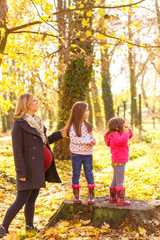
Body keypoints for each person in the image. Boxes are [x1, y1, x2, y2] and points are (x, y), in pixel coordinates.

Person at [0, 93, 64, 238]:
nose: (36, 102)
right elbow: (17, 151)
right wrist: (21, 172)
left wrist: (60, 134)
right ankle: (3, 227)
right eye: (34, 101)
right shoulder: (19, 124)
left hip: (38, 168)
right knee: (21, 199)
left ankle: (29, 227)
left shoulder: (36, 122)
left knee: (32, 199)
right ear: (26, 104)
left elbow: (44, 141)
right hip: (28, 169)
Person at [65, 102, 96, 205]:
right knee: (76, 173)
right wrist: (87, 141)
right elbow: (74, 140)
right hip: (76, 154)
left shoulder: (88, 126)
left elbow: (91, 137)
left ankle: (91, 196)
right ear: (80, 112)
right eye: (86, 110)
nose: (89, 112)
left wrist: (93, 141)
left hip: (88, 154)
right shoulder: (73, 126)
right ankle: (76, 195)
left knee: (89, 174)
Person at [104, 117, 133, 206]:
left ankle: (113, 198)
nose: (124, 126)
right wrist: (125, 133)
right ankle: (121, 200)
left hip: (117, 160)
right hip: (119, 161)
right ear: (117, 126)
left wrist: (128, 131)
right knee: (120, 180)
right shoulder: (115, 135)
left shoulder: (114, 134)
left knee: (115, 179)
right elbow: (123, 140)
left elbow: (129, 137)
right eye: (122, 125)